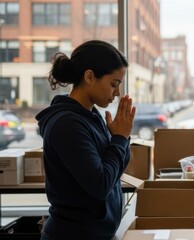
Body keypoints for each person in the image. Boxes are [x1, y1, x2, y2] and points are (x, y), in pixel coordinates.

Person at [36, 40, 136, 240]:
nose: (117, 93)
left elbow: (115, 170)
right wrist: (119, 138)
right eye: (113, 84)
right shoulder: (67, 124)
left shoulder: (90, 115)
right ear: (90, 76)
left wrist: (121, 138)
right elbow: (100, 185)